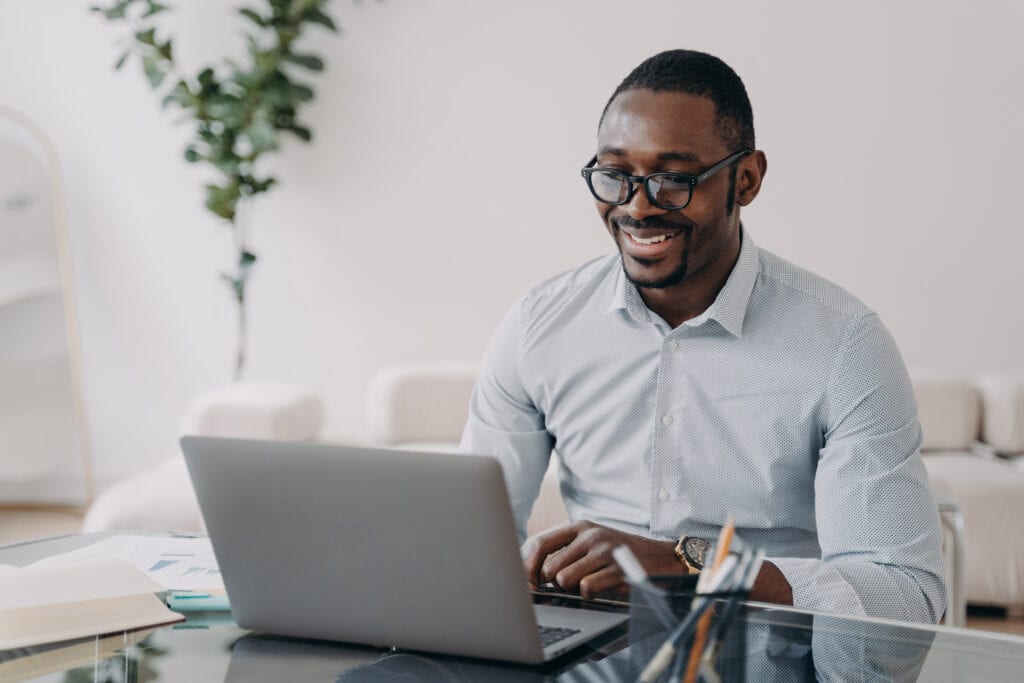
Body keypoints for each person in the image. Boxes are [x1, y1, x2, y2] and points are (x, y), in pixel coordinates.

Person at [460, 50, 945, 623]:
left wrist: (689, 565)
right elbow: (469, 542)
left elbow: (906, 598)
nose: (638, 208)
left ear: (746, 179)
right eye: (616, 175)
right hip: (591, 653)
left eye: (674, 180)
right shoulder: (538, 325)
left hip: (765, 652)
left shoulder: (844, 347)